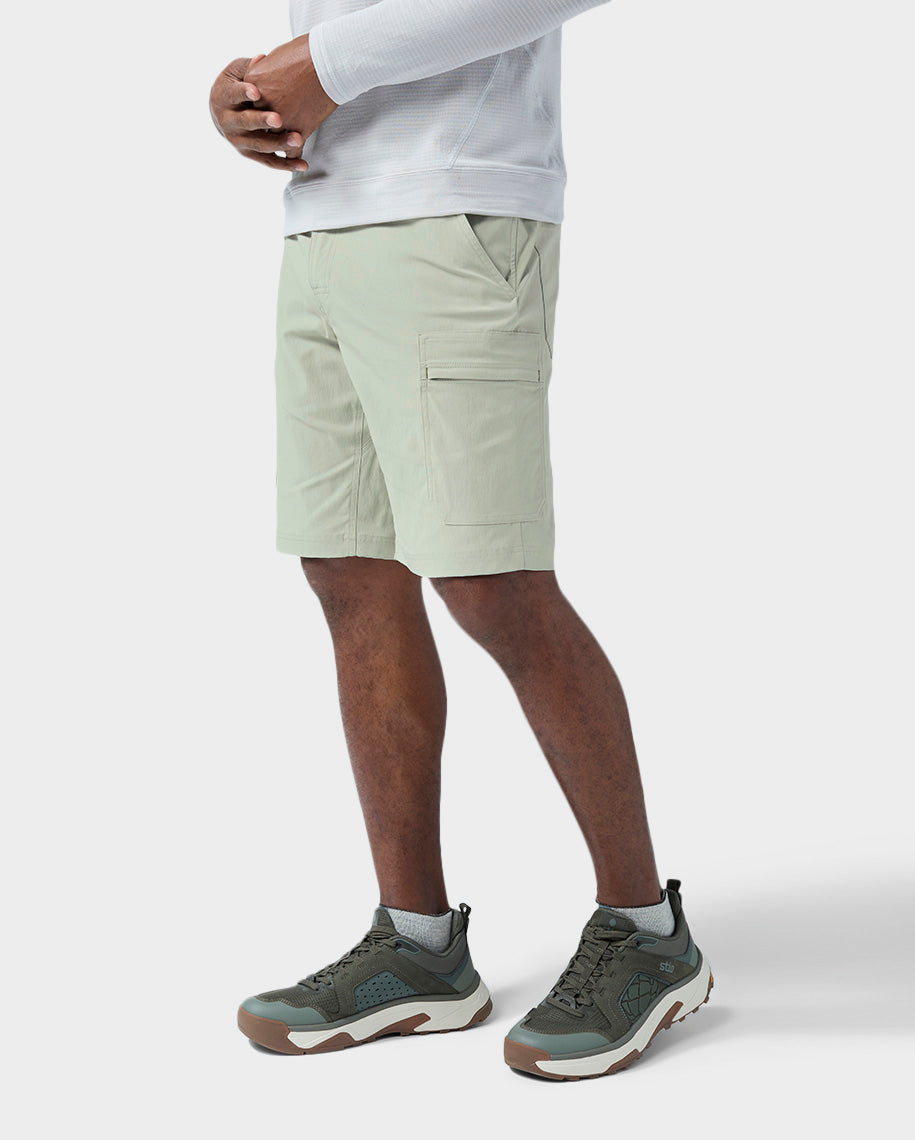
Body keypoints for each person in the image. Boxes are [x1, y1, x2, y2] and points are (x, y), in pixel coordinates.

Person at [209, 0, 712, 1080]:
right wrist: (247, 94)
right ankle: (418, 946)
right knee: (349, 571)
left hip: (456, 211)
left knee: (491, 580)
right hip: (324, 212)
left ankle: (648, 936)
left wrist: (323, 64)